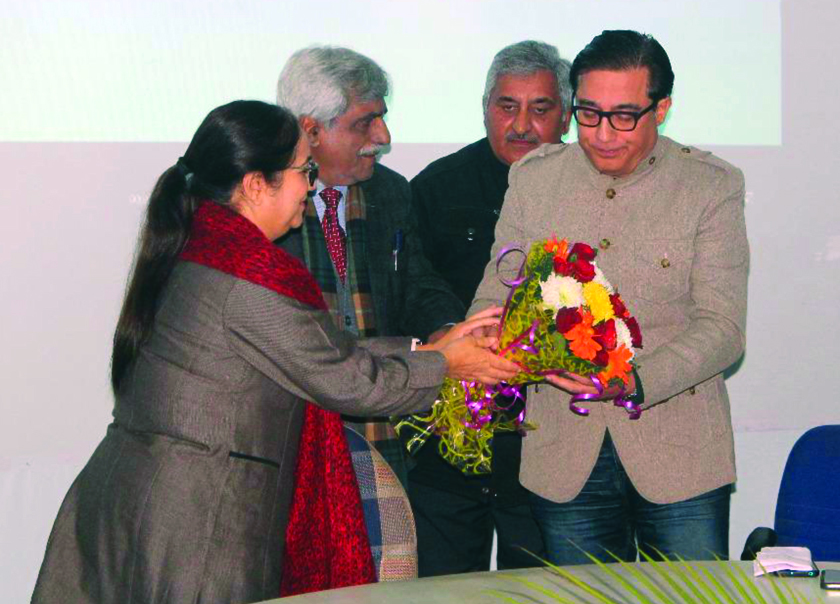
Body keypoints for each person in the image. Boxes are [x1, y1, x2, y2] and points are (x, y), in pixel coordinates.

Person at [30, 101, 517, 604]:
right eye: (303, 171)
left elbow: (315, 349)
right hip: (191, 520)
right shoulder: (247, 273)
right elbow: (348, 381)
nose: (311, 185)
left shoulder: (208, 243)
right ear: (256, 184)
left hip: (153, 495)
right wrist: (448, 364)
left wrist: (426, 347)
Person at [469, 30, 749, 565]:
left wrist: (634, 381)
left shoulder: (709, 186)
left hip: (681, 454)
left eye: (624, 116)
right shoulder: (534, 178)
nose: (602, 134)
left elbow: (722, 328)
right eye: (588, 113)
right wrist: (483, 345)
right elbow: (494, 293)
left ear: (661, 108)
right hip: (563, 452)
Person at [276, 46, 467, 578]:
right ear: (311, 130)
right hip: (298, 434)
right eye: (366, 122)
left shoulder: (391, 193)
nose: (383, 138)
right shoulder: (264, 205)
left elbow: (418, 283)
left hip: (385, 431)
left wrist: (448, 331)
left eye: (382, 118)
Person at [407, 40, 570, 576]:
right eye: (507, 107)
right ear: (485, 109)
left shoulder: (589, 189)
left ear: (566, 115)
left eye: (540, 109)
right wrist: (453, 333)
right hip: (451, 436)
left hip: (550, 438)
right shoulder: (435, 187)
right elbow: (411, 283)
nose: (521, 124)